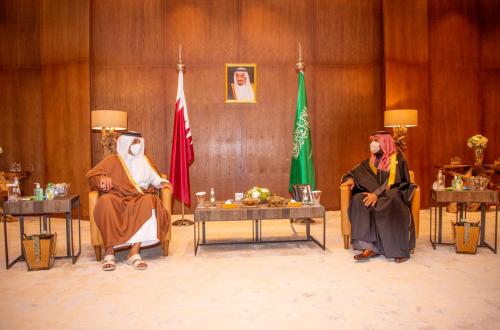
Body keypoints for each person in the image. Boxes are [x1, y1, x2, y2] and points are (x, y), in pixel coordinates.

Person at [86, 132, 171, 271]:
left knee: (150, 201)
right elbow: (91, 176)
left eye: (138, 142)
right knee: (106, 201)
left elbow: (155, 179)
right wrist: (101, 178)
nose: (136, 145)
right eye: (133, 142)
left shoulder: (144, 161)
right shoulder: (112, 160)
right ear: (125, 143)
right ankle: (109, 252)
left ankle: (134, 252)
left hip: (139, 197)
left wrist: (163, 183)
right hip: (117, 196)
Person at [341, 131, 415, 263]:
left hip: (392, 194)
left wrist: (376, 194)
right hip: (374, 194)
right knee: (359, 199)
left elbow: (396, 182)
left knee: (392, 198)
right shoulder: (371, 161)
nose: (373, 144)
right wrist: (351, 179)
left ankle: (398, 249)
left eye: (376, 140)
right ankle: (368, 247)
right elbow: (355, 172)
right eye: (372, 140)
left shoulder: (397, 160)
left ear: (385, 143)